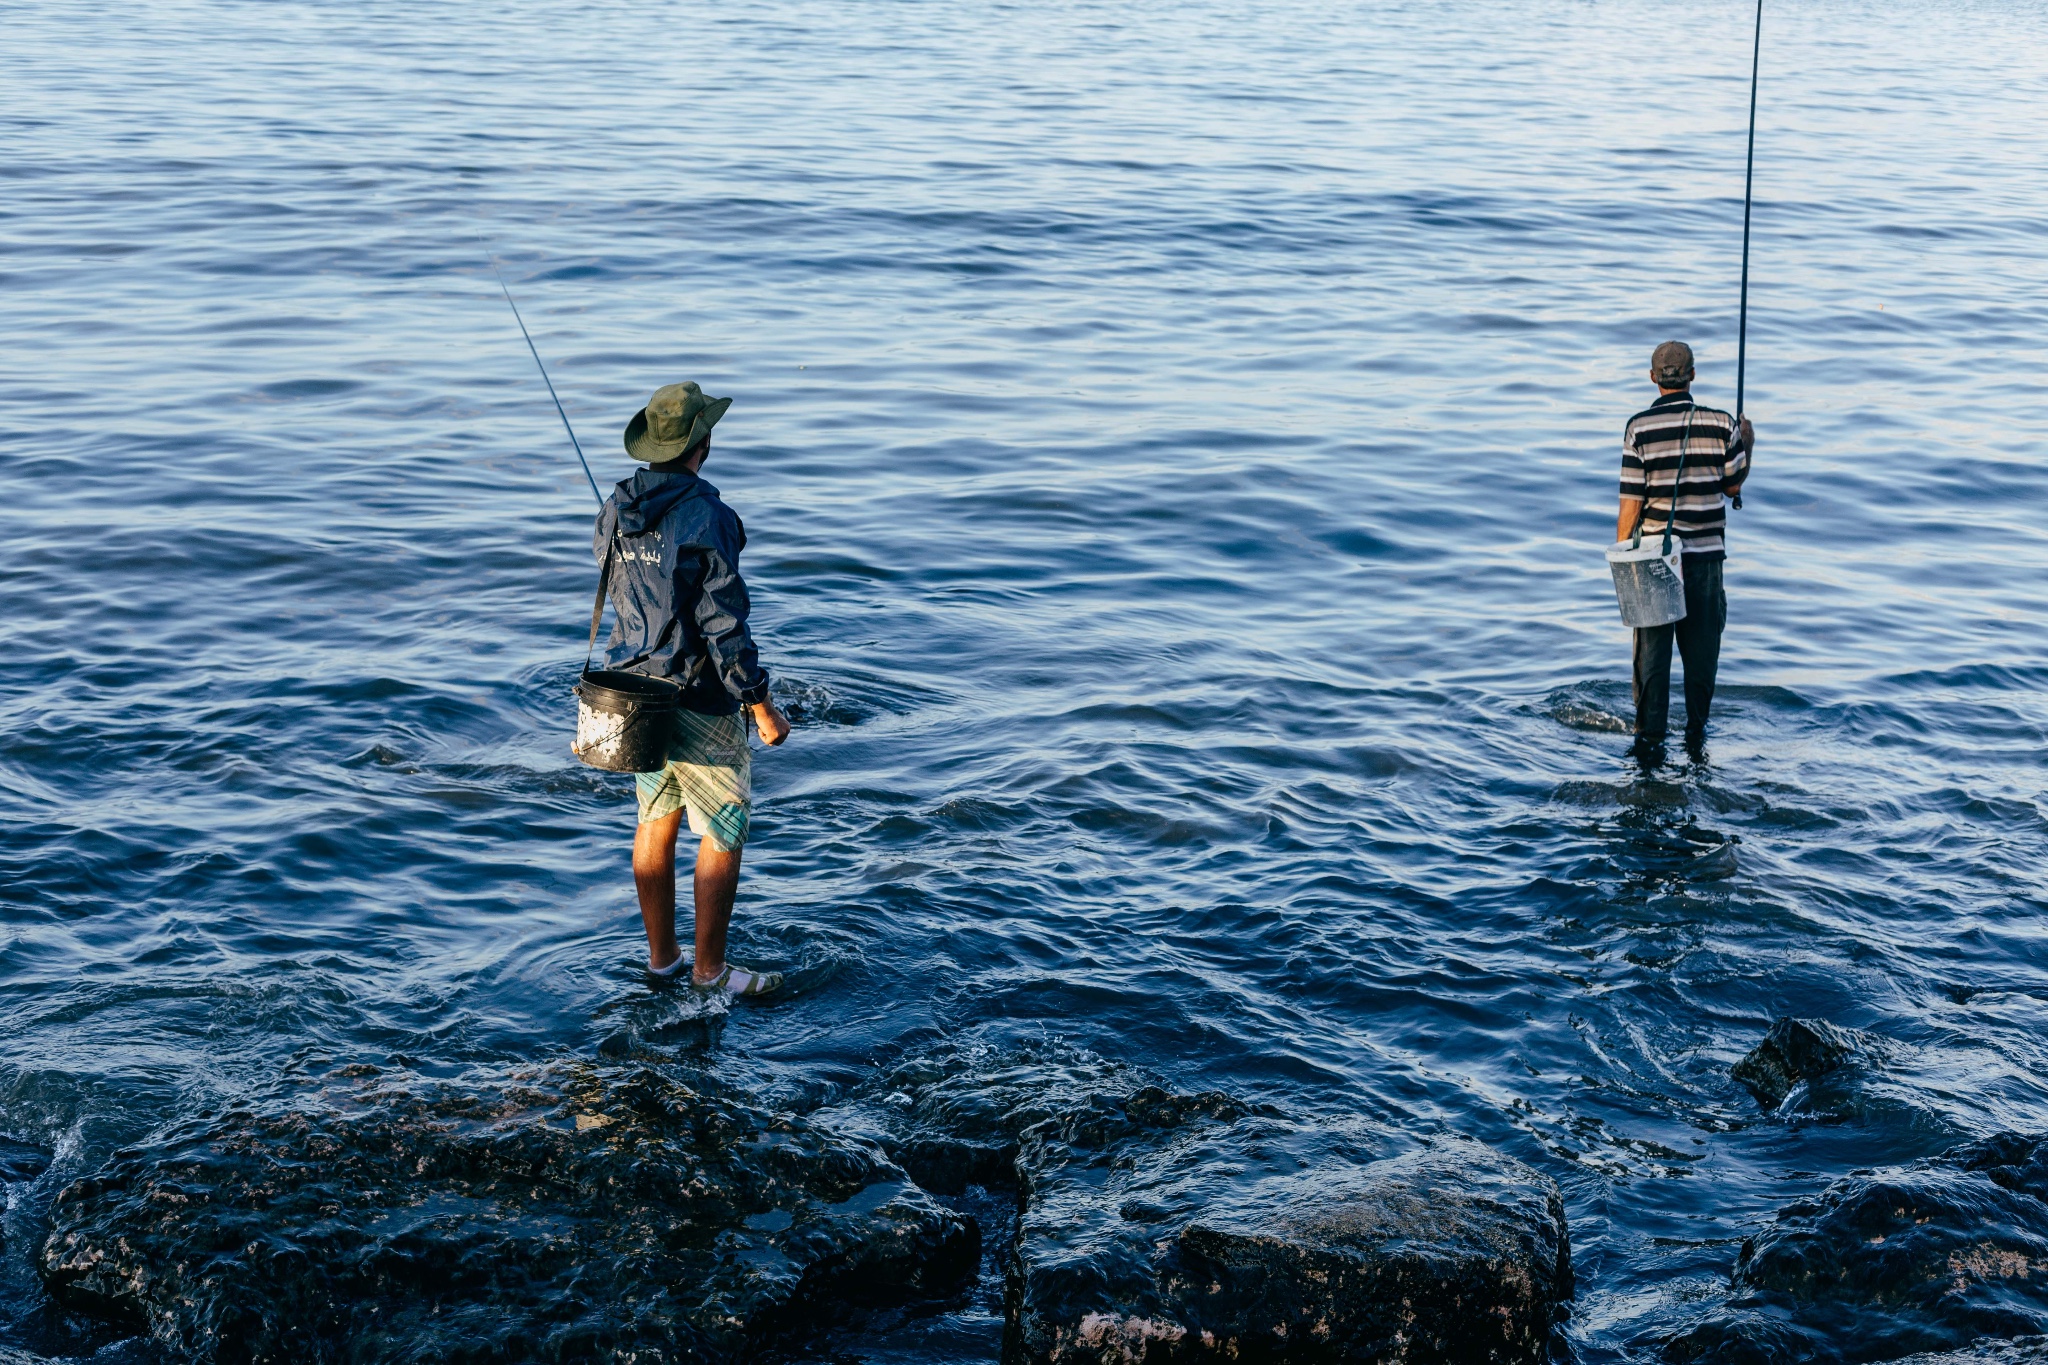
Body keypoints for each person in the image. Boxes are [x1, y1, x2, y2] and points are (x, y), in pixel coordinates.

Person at [594, 381, 792, 995]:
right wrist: (760, 704)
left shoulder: (616, 506)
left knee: (656, 818)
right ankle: (710, 973)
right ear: (702, 441)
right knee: (723, 825)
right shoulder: (710, 514)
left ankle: (664, 961)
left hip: (635, 694)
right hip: (702, 696)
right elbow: (724, 626)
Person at [1616, 341, 1755, 759]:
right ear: (1693, 376)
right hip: (1706, 562)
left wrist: (1626, 568)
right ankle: (1697, 737)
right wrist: (1748, 442)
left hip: (1656, 562)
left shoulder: (1638, 428)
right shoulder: (1721, 424)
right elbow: (1732, 486)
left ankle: (1649, 740)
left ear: (1653, 378)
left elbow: (1631, 504)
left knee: (1652, 661)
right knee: (1701, 658)